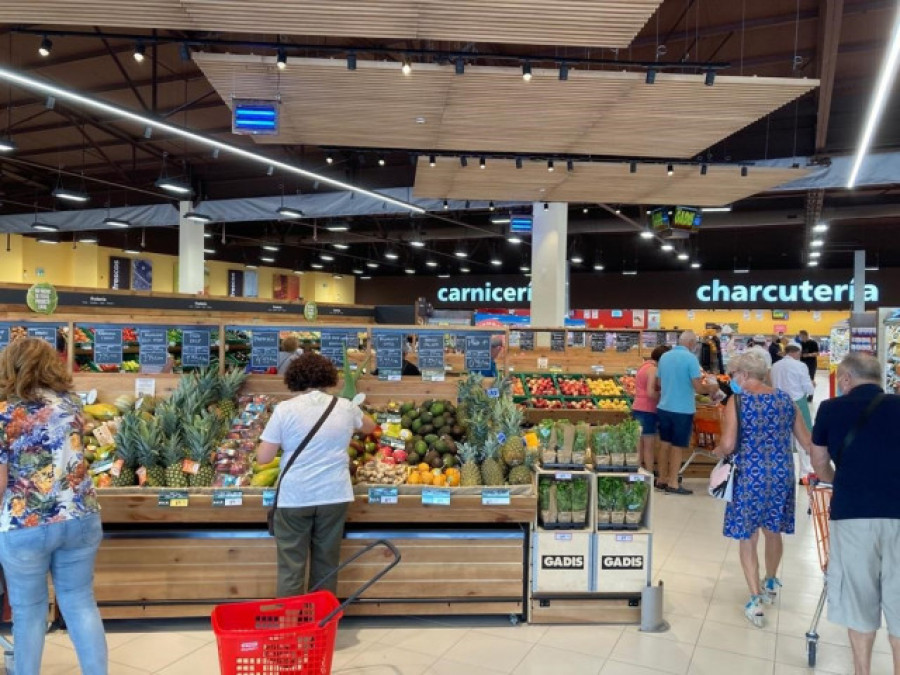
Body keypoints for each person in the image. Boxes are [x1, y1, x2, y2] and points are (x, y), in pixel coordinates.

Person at [0, 338, 107, 675]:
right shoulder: (72, 404)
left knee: (28, 610)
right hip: (81, 517)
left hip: (24, 524)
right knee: (79, 602)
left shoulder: (5, 413)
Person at [257, 352, 376, 597]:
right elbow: (370, 427)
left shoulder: (285, 409)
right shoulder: (344, 407)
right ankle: (320, 623)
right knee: (326, 565)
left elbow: (263, 458)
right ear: (328, 377)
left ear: (295, 379)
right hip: (334, 494)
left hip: (295, 497)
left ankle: (291, 626)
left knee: (291, 567)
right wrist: (353, 406)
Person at [809, 353, 900, 675]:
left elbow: (818, 462)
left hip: (853, 515)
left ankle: (863, 670)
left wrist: (841, 480)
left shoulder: (831, 409)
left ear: (846, 378)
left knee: (859, 601)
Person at [713, 351, 812, 629]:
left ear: (744, 375)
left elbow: (729, 444)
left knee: (748, 536)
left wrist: (716, 451)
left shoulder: (738, 401)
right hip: (781, 473)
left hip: (749, 475)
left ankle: (755, 601)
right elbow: (806, 441)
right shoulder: (785, 399)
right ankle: (770, 580)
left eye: (735, 375)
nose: (733, 380)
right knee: (773, 530)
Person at [655, 330, 719, 495]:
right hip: (682, 409)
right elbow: (698, 387)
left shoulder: (664, 357)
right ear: (691, 343)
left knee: (664, 443)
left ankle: (661, 478)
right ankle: (673, 482)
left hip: (664, 407)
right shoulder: (691, 359)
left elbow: (659, 382)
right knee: (677, 446)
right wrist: (712, 387)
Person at [771, 344, 816, 474]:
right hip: (798, 403)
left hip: (778, 403)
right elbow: (808, 388)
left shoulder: (775, 366)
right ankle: (804, 472)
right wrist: (813, 386)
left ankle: (783, 471)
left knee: (782, 437)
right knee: (803, 437)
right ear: (797, 352)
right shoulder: (800, 366)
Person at [631, 345, 670, 474]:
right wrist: (662, 396)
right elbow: (650, 392)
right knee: (649, 445)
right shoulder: (653, 369)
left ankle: (638, 471)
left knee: (639, 445)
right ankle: (649, 473)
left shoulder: (643, 366)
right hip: (647, 409)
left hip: (637, 407)